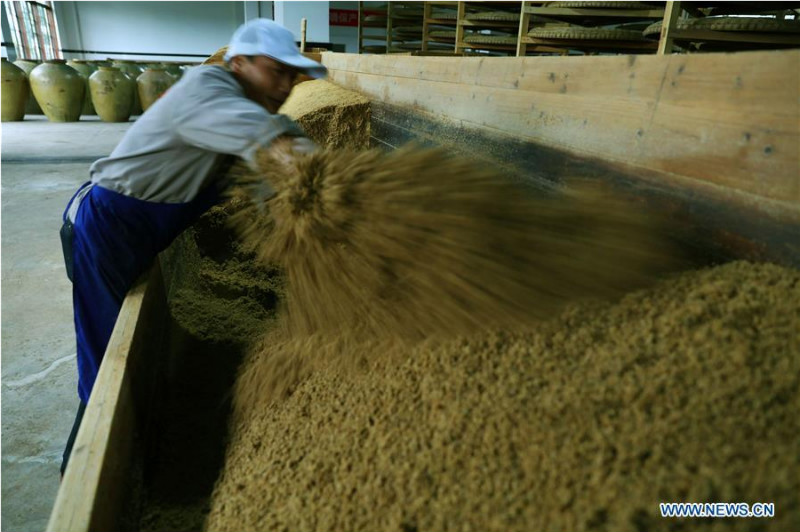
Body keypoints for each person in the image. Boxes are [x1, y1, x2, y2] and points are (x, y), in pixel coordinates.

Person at [58, 18, 325, 477]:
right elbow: (270, 146)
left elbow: (281, 177)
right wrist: (322, 181)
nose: (285, 85)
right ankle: (86, 470)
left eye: (291, 75)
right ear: (239, 63)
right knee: (106, 360)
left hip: (143, 229)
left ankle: (136, 444)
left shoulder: (257, 112)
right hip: (106, 226)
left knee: (125, 358)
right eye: (274, 70)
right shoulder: (208, 90)